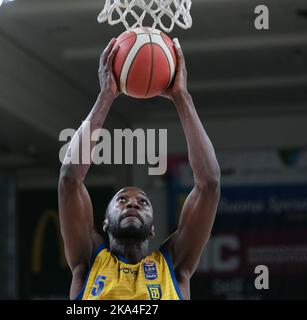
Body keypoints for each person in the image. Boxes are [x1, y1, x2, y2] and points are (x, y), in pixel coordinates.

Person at [58, 37, 220, 300]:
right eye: (121, 200)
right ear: (105, 223)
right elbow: (69, 181)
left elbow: (209, 185)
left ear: (154, 227)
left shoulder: (175, 266)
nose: (132, 204)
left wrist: (181, 96)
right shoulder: (88, 261)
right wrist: (106, 96)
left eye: (142, 202)